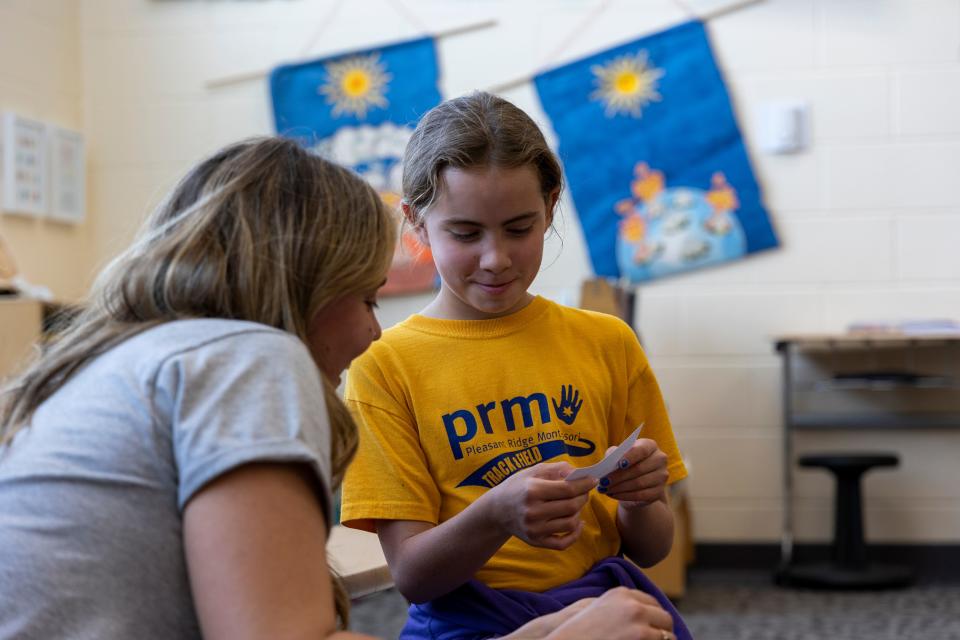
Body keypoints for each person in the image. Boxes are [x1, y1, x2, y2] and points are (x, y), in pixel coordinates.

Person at [0, 135, 676, 640]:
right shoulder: (246, 360)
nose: (372, 333)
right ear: (307, 288)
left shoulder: (137, 356)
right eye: (366, 297)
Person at [340, 91, 692, 640]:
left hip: (602, 607)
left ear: (551, 207)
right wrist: (495, 515)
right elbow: (412, 575)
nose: (495, 258)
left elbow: (653, 547)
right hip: (468, 622)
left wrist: (642, 499)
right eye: (464, 233)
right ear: (416, 221)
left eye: (519, 228)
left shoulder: (606, 341)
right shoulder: (383, 365)